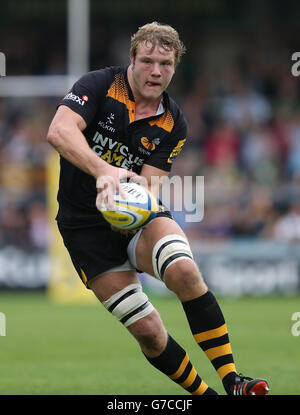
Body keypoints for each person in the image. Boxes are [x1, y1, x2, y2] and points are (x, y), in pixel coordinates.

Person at [47, 21, 269, 395]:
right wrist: (105, 171)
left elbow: (150, 184)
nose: (155, 71)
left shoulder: (173, 121)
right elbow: (59, 131)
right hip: (83, 228)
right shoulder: (99, 85)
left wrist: (127, 206)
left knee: (184, 270)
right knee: (149, 332)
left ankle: (234, 381)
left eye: (165, 64)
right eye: (147, 61)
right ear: (131, 60)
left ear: (175, 67)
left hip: (134, 216)